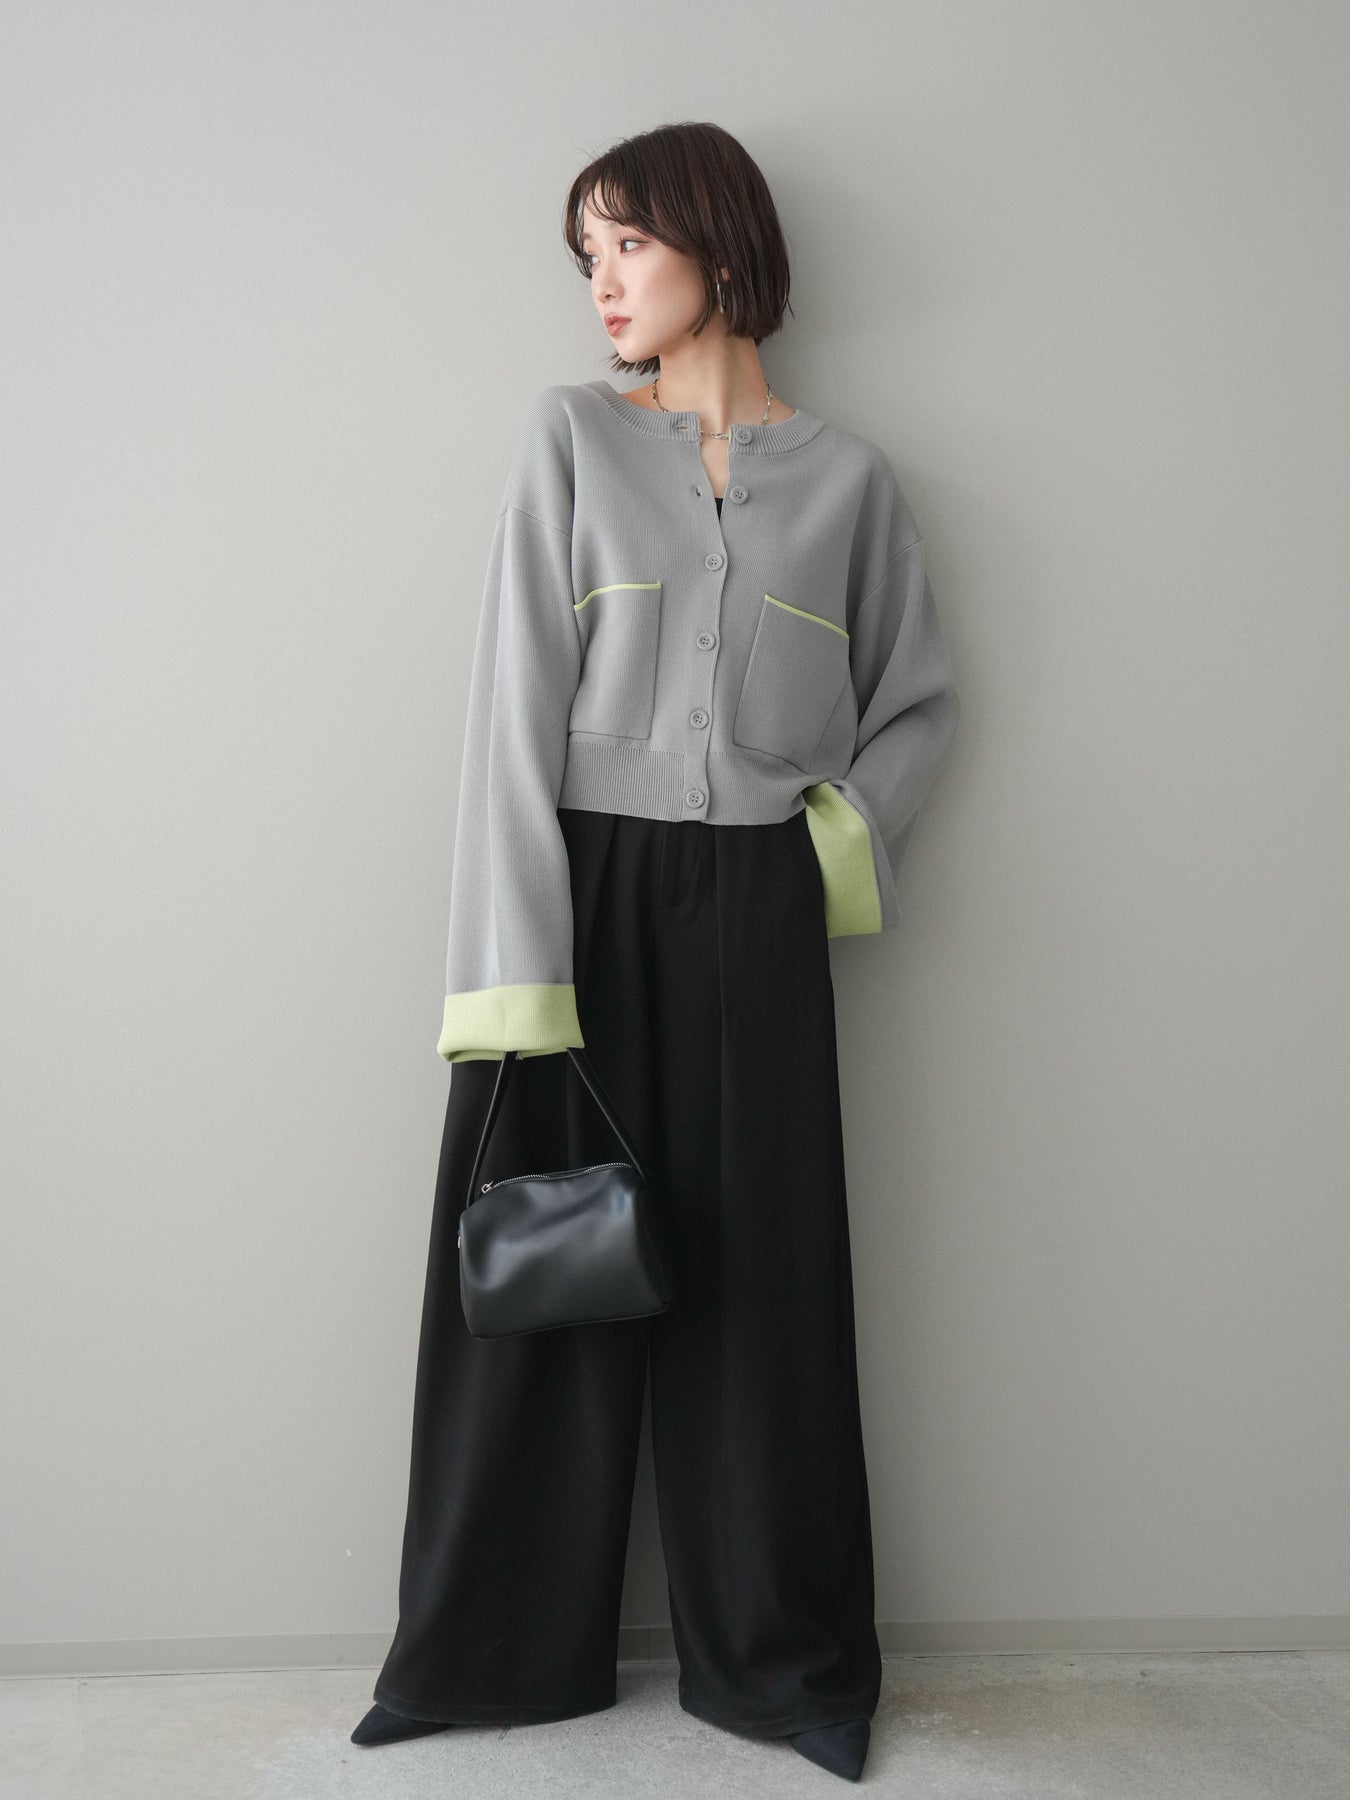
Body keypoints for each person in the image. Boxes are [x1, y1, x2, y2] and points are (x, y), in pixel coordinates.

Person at [351, 120, 960, 1785]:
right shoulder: (568, 439)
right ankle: (479, 1653)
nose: (602, 285)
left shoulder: (849, 483)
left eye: (627, 243)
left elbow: (917, 703)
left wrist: (819, 852)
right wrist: (512, 968)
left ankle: (787, 1668)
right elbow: (509, 710)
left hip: (754, 902)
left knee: (766, 1289)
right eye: (586, 257)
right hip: (577, 888)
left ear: (718, 244)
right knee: (537, 1274)